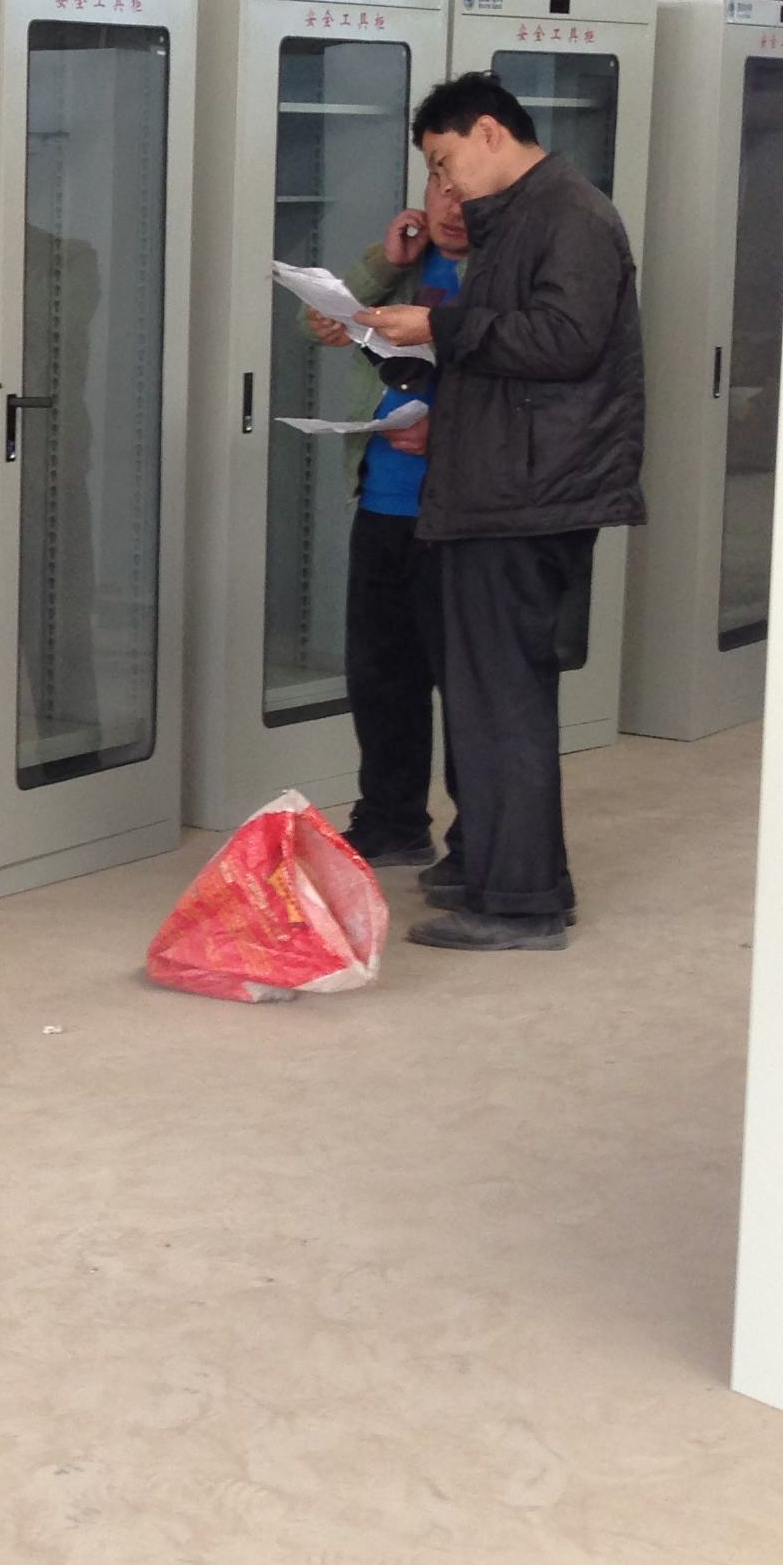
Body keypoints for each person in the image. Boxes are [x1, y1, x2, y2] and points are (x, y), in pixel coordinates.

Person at [353, 72, 644, 952]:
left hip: (526, 495)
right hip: (500, 485)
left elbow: (566, 341)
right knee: (491, 700)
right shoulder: (523, 215)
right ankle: (504, 874)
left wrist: (438, 328)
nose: (444, 184)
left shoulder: (570, 215)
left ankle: (519, 904)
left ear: (487, 132)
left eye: (445, 161)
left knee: (504, 701)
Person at [306, 179, 468, 873]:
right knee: (381, 677)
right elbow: (318, 322)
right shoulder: (404, 265)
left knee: (466, 684)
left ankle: (479, 841)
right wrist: (382, 260)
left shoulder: (504, 272)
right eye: (439, 187)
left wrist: (449, 431)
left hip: (461, 514)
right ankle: (392, 821)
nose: (452, 207)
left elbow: (523, 380)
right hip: (381, 501)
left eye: (465, 190)